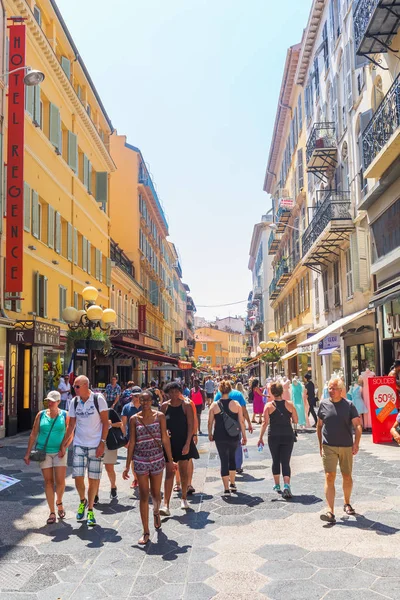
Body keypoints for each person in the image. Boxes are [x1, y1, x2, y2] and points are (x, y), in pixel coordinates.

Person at [123, 391, 174, 545]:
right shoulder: (134, 419)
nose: (144, 403)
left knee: (156, 494)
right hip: (140, 459)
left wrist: (170, 460)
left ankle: (156, 511)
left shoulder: (160, 416)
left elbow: (165, 438)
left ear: (152, 401)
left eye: (147, 400)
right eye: (142, 400)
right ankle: (146, 531)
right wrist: (127, 465)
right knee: (144, 495)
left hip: (157, 458)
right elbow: (132, 442)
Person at [59, 376, 109, 527]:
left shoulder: (98, 399)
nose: (74, 389)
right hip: (79, 444)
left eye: (77, 386)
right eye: (74, 386)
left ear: (86, 385)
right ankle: (83, 501)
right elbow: (71, 424)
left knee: (93, 478)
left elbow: (106, 423)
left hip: (95, 444)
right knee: (78, 477)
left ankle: (91, 510)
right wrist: (64, 443)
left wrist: (102, 443)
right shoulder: (74, 401)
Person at [317, 377, 363, 524]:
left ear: (341, 390)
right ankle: (330, 511)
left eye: (334, 388)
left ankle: (347, 502)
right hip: (328, 445)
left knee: (347, 476)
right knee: (329, 476)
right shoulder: (323, 404)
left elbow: (357, 426)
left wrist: (356, 443)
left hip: (346, 446)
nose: (331, 391)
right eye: (330, 388)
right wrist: (320, 445)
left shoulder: (349, 405)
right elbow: (319, 426)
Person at [24, 391, 70, 525]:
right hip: (44, 452)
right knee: (48, 481)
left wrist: (64, 446)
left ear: (58, 402)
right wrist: (27, 453)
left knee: (60, 481)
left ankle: (59, 501)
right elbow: (33, 434)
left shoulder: (65, 415)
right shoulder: (41, 414)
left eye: (52, 401)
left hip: (59, 452)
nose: (50, 403)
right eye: (48, 401)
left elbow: (70, 433)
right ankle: (52, 511)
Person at [160, 381, 199, 514]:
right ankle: (166, 504)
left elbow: (190, 426)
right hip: (169, 443)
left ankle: (183, 497)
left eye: (176, 391)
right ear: (167, 393)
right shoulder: (164, 407)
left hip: (183, 441)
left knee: (183, 470)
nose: (174, 394)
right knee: (169, 472)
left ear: (180, 392)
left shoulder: (186, 406)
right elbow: (161, 425)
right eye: (171, 392)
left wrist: (188, 443)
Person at [258, 382, 298, 499]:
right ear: (282, 392)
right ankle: (287, 485)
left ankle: (277, 485)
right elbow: (296, 420)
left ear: (272, 393)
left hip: (273, 436)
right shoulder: (290, 404)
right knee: (286, 461)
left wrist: (260, 438)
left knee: (275, 460)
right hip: (287, 435)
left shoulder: (269, 406)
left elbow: (265, 423)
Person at [208, 380, 247, 494]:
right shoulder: (236, 404)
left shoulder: (214, 405)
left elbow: (210, 422)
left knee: (223, 460)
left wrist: (210, 433)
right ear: (230, 390)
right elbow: (241, 421)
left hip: (220, 436)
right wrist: (244, 436)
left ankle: (226, 488)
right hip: (234, 436)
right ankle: (233, 483)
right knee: (232, 459)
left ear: (219, 390)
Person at [214, 384, 253, 474]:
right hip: (235, 425)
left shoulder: (219, 394)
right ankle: (238, 466)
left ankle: (226, 467)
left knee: (224, 448)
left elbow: (214, 409)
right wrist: (249, 423)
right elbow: (244, 410)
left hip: (221, 426)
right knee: (237, 445)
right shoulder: (238, 394)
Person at [95, 407, 126, 503]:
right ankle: (95, 494)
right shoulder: (91, 412)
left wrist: (110, 424)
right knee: (96, 471)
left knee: (109, 468)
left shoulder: (110, 411)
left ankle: (113, 486)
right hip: (95, 443)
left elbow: (120, 424)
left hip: (109, 443)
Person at [121, 386, 143, 489]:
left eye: (139, 395)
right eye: (135, 396)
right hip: (132, 437)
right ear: (132, 396)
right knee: (134, 459)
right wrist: (125, 438)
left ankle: (143, 478)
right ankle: (136, 479)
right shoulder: (127, 407)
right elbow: (123, 424)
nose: (137, 398)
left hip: (144, 437)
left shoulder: (145, 406)